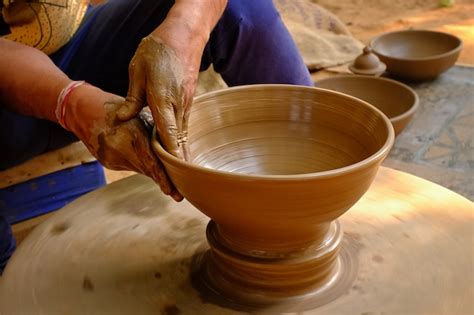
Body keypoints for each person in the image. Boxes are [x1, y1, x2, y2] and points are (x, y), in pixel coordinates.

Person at [0, 0, 313, 274]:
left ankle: (311, 186)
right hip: (9, 88)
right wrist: (71, 102)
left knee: (240, 7)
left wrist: (187, 29)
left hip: (70, 43)